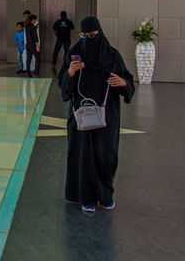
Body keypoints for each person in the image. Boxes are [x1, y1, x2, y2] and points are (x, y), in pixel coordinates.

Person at [58, 17, 135, 212]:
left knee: (106, 154)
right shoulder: (74, 53)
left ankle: (105, 194)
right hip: (81, 115)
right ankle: (87, 197)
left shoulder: (111, 55)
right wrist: (70, 73)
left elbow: (128, 81)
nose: (88, 39)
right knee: (84, 156)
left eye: (92, 36)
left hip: (108, 114)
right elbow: (63, 84)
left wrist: (123, 84)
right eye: (84, 36)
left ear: (100, 33)